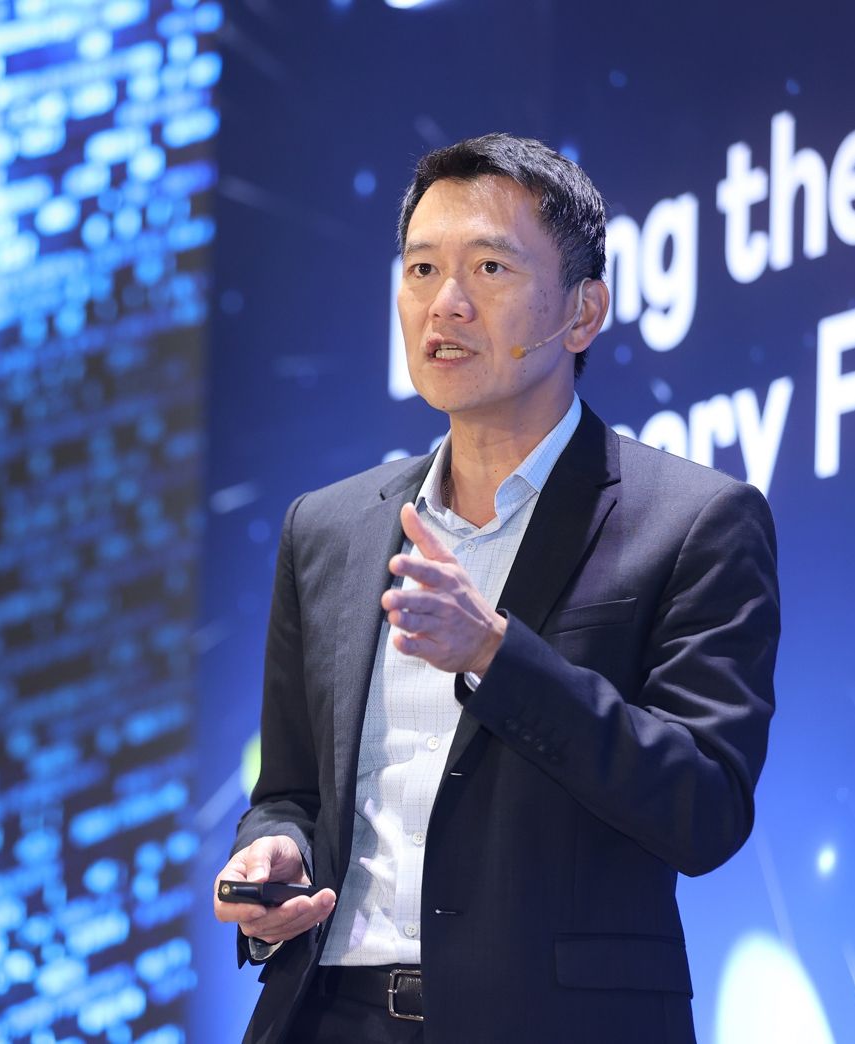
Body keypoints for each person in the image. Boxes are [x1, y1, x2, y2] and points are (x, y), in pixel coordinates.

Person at [213, 133, 779, 1043]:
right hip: (329, 1019)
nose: (445, 302)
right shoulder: (327, 528)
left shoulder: (694, 521)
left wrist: (497, 656)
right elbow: (289, 791)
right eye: (421, 268)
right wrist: (271, 850)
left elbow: (703, 809)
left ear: (583, 311)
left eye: (488, 267)